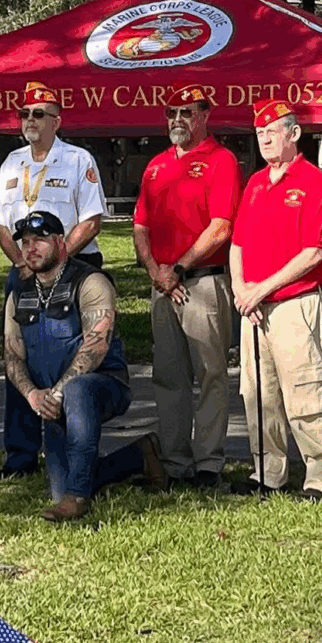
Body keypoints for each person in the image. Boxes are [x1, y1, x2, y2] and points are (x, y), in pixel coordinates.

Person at [4, 211, 165, 521]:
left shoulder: (90, 281)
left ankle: (78, 498)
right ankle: (140, 455)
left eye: (39, 240)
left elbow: (96, 347)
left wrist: (58, 393)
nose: (31, 248)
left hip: (100, 385)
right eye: (25, 242)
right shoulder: (18, 294)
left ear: (61, 242)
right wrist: (33, 396)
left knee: (78, 390)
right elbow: (12, 357)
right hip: (52, 401)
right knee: (58, 488)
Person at [0, 81, 107, 480]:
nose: (30, 120)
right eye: (24, 114)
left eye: (38, 114)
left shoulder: (77, 159)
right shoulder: (11, 162)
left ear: (57, 120)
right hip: (23, 273)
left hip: (69, 271)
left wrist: (55, 258)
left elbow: (91, 220)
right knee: (17, 358)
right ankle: (19, 457)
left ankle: (72, 449)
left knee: (69, 358)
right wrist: (22, 260)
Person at [132, 83, 242, 490]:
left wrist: (179, 266)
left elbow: (221, 226)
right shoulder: (156, 165)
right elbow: (140, 225)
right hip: (163, 285)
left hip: (202, 282)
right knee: (168, 377)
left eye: (187, 112)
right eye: (171, 113)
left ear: (205, 115)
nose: (177, 120)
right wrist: (155, 272)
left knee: (211, 374)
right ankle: (175, 462)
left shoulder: (221, 160)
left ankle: (209, 462)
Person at [230, 100, 322, 501]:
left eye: (272, 131)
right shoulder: (256, 182)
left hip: (296, 301)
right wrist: (241, 289)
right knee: (258, 394)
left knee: (306, 392)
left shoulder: (312, 180)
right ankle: (268, 472)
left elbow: (314, 252)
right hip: (254, 307)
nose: (264, 139)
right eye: (259, 133)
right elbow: (237, 243)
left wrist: (261, 289)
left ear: (294, 134)